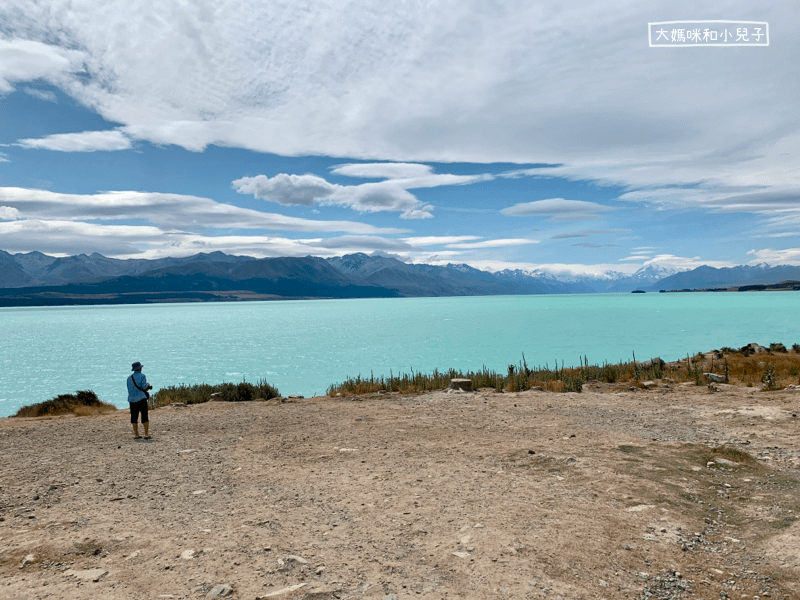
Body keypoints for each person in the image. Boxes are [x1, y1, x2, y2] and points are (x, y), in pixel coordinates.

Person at [127, 361, 153, 440]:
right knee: (144, 416)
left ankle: (136, 434)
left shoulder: (129, 378)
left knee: (134, 417)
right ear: (139, 368)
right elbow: (144, 387)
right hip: (141, 398)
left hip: (132, 399)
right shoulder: (142, 376)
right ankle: (146, 434)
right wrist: (148, 385)